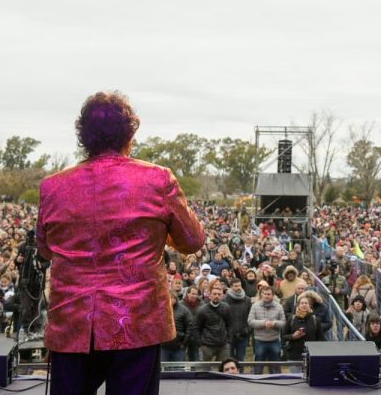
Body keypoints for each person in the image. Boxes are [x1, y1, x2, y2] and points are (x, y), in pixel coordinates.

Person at [37, 91, 205, 395]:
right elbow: (192, 241)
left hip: (72, 321)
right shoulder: (158, 179)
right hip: (137, 322)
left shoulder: (53, 186)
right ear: (130, 133)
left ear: (83, 135)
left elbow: (45, 248)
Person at [247, 285, 286, 374]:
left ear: (273, 295)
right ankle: (257, 381)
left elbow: (283, 323)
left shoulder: (279, 307)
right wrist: (264, 323)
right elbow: (250, 321)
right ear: (261, 294)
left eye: (268, 294)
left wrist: (274, 323)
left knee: (275, 366)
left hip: (274, 340)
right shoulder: (255, 306)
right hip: (259, 341)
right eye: (264, 294)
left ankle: (276, 381)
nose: (266, 296)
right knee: (258, 366)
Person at [194, 285, 232, 362]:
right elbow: (196, 328)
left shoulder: (226, 307)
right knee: (204, 369)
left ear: (222, 296)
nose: (216, 296)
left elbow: (230, 325)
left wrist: (229, 341)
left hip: (223, 345)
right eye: (214, 294)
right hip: (207, 345)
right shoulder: (202, 310)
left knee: (223, 368)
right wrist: (200, 344)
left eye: (219, 294)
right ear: (210, 295)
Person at [283, 294, 324, 361]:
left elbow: (321, 338)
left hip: (311, 355)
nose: (304, 305)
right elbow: (284, 336)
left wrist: (316, 350)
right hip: (294, 355)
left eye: (306, 303)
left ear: (310, 306)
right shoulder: (292, 318)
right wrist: (293, 336)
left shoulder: (315, 319)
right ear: (298, 305)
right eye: (302, 303)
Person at [224, 278, 251, 362]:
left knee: (241, 359)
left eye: (240, 285)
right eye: (236, 286)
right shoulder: (225, 300)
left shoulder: (247, 300)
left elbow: (250, 316)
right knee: (229, 359)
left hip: (243, 334)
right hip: (229, 336)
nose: (238, 287)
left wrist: (247, 330)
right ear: (231, 287)